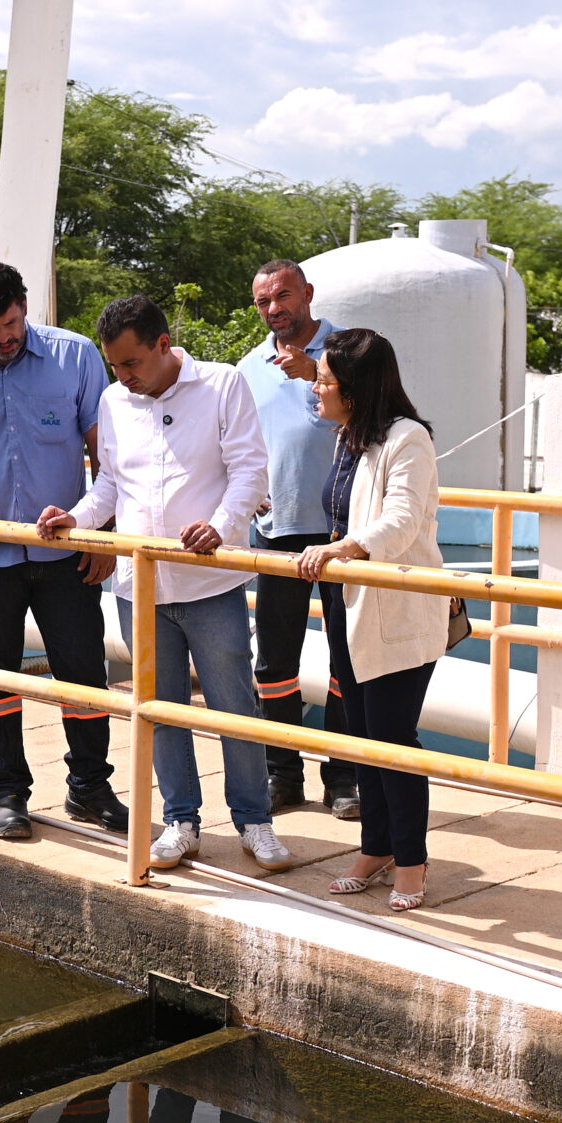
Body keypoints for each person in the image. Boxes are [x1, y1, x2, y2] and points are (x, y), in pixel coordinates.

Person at [35, 293, 293, 871]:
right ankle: (181, 820)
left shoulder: (222, 385)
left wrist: (222, 527)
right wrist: (77, 517)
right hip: (138, 586)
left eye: (132, 364)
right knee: (158, 707)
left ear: (163, 345)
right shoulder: (113, 399)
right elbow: (110, 488)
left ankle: (255, 820)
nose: (124, 378)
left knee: (232, 706)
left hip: (209, 583)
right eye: (115, 366)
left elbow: (251, 469)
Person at [0, 260, 127, 843]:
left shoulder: (76, 356)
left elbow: (104, 456)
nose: (3, 337)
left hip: (68, 555)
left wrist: (104, 534)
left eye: (10, 323)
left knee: (84, 675)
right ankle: (9, 793)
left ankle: (89, 787)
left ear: (24, 306)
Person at [292, 328, 447, 912]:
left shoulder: (409, 440)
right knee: (360, 733)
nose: (317, 390)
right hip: (348, 604)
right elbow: (339, 510)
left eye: (325, 381)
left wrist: (344, 548)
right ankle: (376, 846)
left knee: (392, 739)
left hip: (395, 609)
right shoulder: (349, 437)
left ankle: (411, 860)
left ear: (354, 388)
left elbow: (403, 520)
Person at [238, 259, 357, 820]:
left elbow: (375, 417)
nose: (274, 309)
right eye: (264, 301)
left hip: (342, 533)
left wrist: (314, 372)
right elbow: (236, 443)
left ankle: (343, 779)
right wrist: (244, 489)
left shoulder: (352, 353)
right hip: (276, 531)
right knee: (275, 662)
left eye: (283, 296)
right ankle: (281, 775)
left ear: (307, 293)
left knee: (347, 661)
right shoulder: (248, 367)